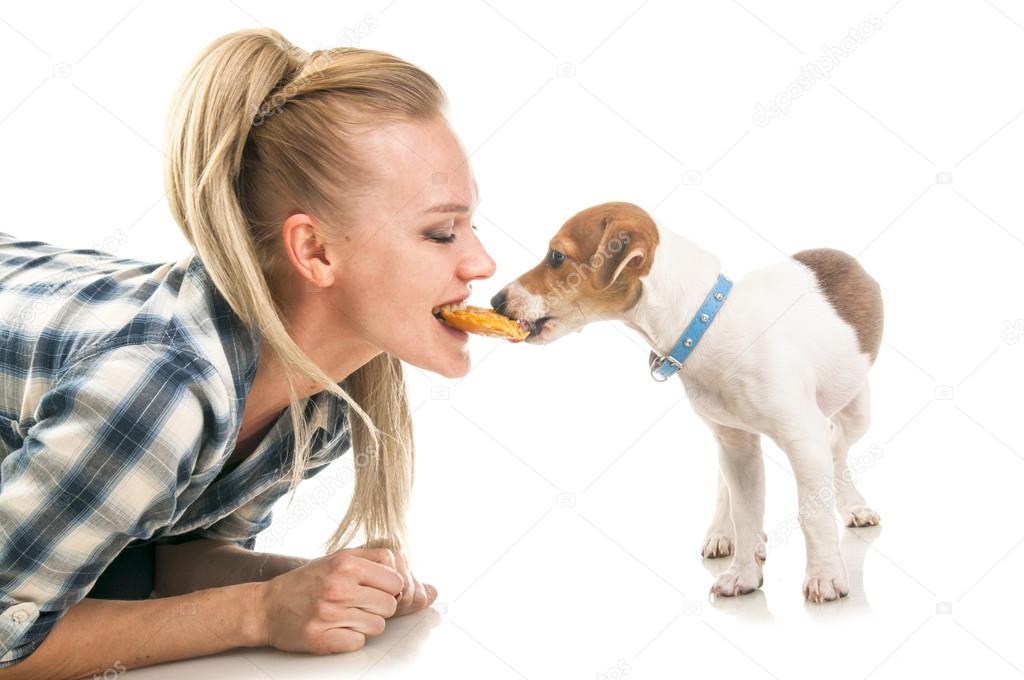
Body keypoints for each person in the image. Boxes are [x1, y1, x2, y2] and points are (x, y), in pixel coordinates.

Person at [0, 26, 496, 677]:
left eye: (472, 225)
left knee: (117, 576)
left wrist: (312, 589)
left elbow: (173, 554)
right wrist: (258, 612)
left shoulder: (329, 392)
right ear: (314, 251)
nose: (482, 264)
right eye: (441, 232)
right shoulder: (160, 394)